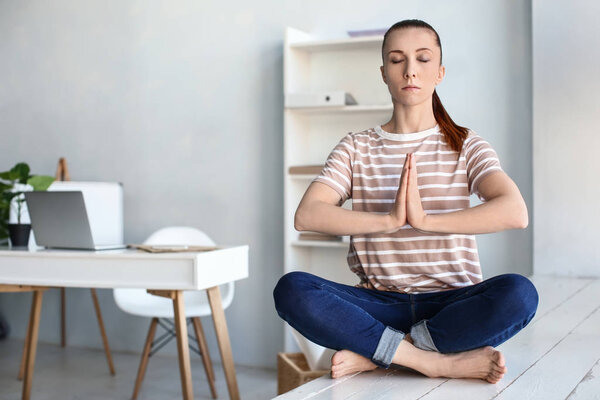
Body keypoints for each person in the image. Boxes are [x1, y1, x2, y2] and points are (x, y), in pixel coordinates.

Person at [273, 19, 538, 384]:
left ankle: (384, 355)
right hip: (380, 305)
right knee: (292, 289)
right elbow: (307, 215)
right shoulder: (356, 146)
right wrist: (390, 220)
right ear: (384, 72)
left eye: (423, 59)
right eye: (397, 60)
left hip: (451, 305)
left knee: (520, 294)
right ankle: (434, 362)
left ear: (440, 72)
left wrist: (425, 220)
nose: (410, 70)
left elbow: (515, 211)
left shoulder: (466, 144)